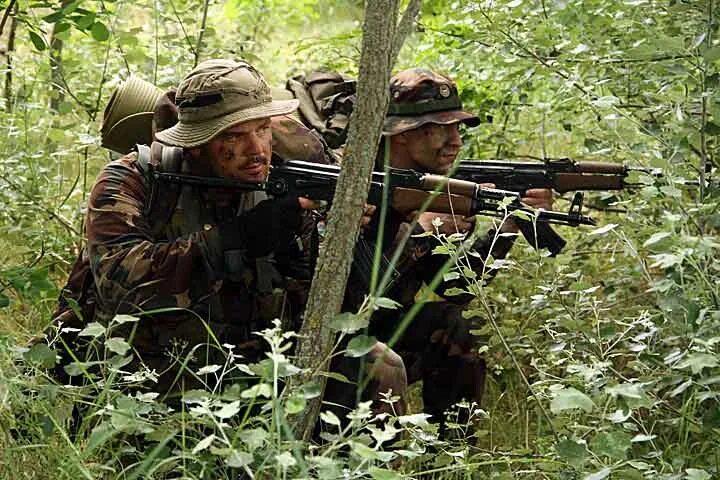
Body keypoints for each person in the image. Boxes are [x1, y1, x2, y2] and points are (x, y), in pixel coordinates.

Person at [352, 68, 554, 422]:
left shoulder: (432, 188)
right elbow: (362, 283)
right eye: (439, 129)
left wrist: (508, 225)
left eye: (457, 128)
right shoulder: (351, 183)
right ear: (400, 135)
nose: (456, 141)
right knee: (383, 363)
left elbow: (458, 286)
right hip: (335, 337)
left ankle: (451, 454)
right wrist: (423, 231)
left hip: (387, 328)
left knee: (459, 323)